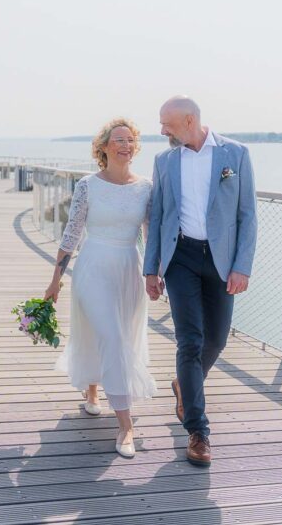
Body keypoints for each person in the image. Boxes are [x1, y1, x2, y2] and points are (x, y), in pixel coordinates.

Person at [143, 96, 257, 466]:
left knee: (217, 340)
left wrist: (242, 266)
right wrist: (151, 269)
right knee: (189, 341)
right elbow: (158, 216)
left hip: (222, 261)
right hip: (181, 259)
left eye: (166, 123)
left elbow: (248, 215)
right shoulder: (164, 161)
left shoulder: (235, 154)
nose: (161, 130)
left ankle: (184, 384)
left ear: (189, 119)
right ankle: (198, 431)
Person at [45, 117, 157, 458]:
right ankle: (126, 427)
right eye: (118, 140)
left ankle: (93, 392)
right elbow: (72, 234)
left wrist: (156, 274)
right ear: (104, 147)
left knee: (114, 332)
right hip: (93, 266)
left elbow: (150, 237)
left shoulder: (147, 188)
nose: (124, 145)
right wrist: (54, 281)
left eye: (130, 140)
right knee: (111, 335)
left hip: (129, 269)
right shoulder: (87, 186)